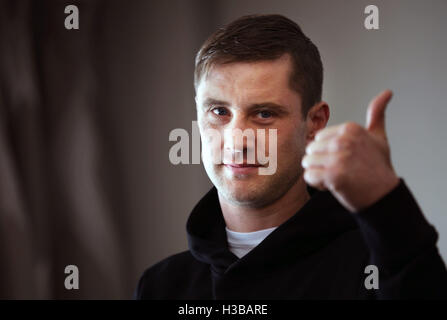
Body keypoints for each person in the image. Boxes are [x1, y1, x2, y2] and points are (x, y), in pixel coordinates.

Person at [134, 14, 447, 299]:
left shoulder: (377, 268)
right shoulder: (161, 286)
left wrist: (385, 201)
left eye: (265, 113)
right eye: (218, 111)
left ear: (314, 124)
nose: (237, 141)